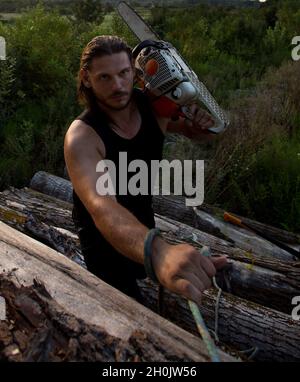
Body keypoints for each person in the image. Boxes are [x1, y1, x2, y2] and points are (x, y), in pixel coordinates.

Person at [64, 35, 227, 305]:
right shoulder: (82, 137)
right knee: (126, 313)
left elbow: (197, 132)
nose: (118, 86)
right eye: (105, 77)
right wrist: (160, 254)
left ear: (134, 71)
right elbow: (102, 208)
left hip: (144, 227)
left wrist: (202, 124)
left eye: (124, 73)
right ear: (86, 77)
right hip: (103, 242)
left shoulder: (153, 106)